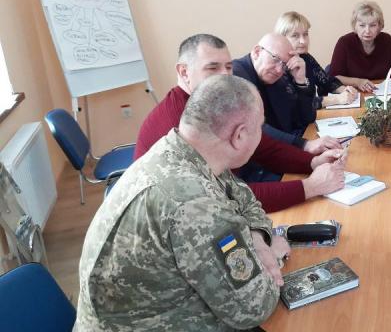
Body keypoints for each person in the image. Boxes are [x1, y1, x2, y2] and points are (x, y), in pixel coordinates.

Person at [76, 75, 286, 330]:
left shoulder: (182, 151)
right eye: (260, 126)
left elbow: (244, 198)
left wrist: (257, 239)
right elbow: (254, 307)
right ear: (239, 136)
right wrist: (273, 255)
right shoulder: (193, 203)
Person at [135, 34, 345, 212]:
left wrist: (311, 162)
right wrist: (310, 187)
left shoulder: (213, 102)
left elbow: (261, 146)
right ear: (184, 72)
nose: (225, 75)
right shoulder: (182, 122)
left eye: (228, 67)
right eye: (212, 68)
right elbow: (226, 197)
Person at [233, 32, 336, 146]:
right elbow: (254, 128)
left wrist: (300, 81)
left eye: (284, 65)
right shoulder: (235, 76)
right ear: (257, 52)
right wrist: (305, 145)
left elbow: (307, 118)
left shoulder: (277, 78)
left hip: (284, 146)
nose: (279, 70)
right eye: (276, 59)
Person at [275, 11, 358, 108]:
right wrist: (337, 99)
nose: (303, 41)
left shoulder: (305, 57)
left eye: (305, 34)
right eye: (295, 36)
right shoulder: (277, 67)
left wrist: (345, 90)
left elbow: (327, 81)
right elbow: (297, 104)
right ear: (282, 38)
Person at [329, 1, 391, 91]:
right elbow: (334, 77)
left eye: (372, 25)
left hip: (384, 94)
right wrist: (357, 82)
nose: (367, 31)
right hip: (354, 94)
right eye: (362, 25)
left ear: (379, 26)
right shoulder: (344, 42)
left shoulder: (387, 40)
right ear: (355, 26)